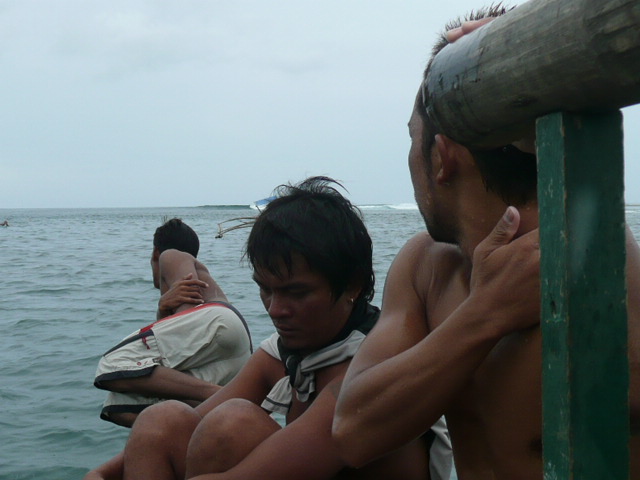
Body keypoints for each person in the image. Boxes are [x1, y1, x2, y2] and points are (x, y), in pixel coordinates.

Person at [332, 6, 640, 479]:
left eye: (413, 138)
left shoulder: (613, 265)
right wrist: (485, 314)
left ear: (442, 157)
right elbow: (354, 433)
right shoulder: (426, 267)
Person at [84, 177, 452, 480]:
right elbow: (192, 419)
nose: (276, 309)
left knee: (232, 426)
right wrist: (104, 473)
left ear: (352, 285)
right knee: (160, 420)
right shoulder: (284, 353)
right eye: (266, 289)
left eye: (297, 293)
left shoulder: (373, 364)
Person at [94, 218, 253, 427]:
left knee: (113, 365)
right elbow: (175, 351)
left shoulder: (171, 256)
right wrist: (162, 308)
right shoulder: (191, 271)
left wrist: (165, 306)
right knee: (118, 404)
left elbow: (188, 315)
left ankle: (220, 396)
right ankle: (195, 428)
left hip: (217, 320)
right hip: (234, 351)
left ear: (155, 253)